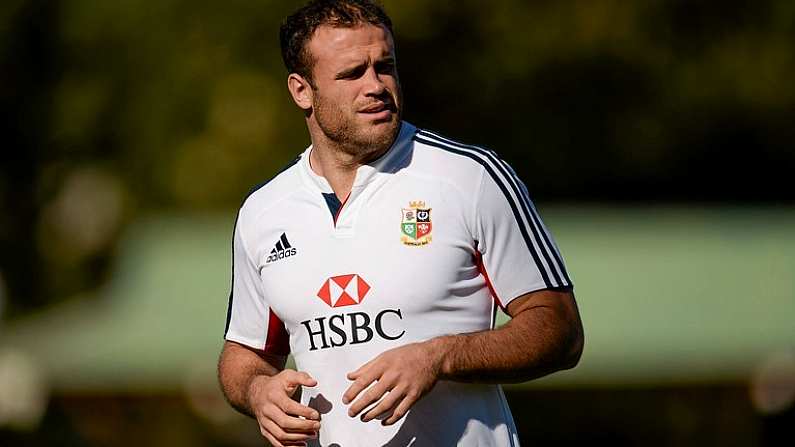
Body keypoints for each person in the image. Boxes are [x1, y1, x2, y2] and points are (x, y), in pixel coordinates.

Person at [217, 1, 584, 446]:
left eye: (385, 66)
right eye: (352, 73)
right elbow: (244, 354)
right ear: (302, 91)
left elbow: (560, 330)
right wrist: (258, 392)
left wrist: (440, 357)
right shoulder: (264, 210)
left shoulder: (470, 176)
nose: (376, 86)